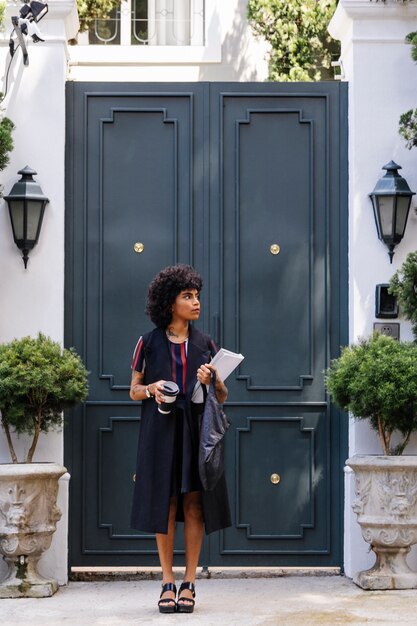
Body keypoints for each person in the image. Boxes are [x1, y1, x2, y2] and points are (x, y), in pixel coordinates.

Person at [130, 264, 231, 614]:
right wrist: (152, 388)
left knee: (193, 503)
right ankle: (166, 581)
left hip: (196, 430)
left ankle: (190, 582)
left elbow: (222, 396)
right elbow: (133, 391)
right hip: (160, 431)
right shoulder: (148, 341)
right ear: (170, 303)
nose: (196, 302)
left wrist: (214, 380)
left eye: (197, 295)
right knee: (166, 502)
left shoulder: (206, 344)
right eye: (187, 296)